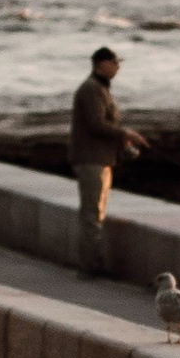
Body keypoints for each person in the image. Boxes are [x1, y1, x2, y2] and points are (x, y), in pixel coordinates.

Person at [69, 45, 144, 275]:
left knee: (95, 213)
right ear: (102, 64)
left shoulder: (98, 88)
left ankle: (92, 263)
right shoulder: (92, 89)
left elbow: (100, 125)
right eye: (115, 63)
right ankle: (91, 265)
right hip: (92, 160)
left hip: (99, 158)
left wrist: (122, 140)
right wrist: (125, 134)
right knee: (92, 215)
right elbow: (96, 124)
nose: (118, 67)